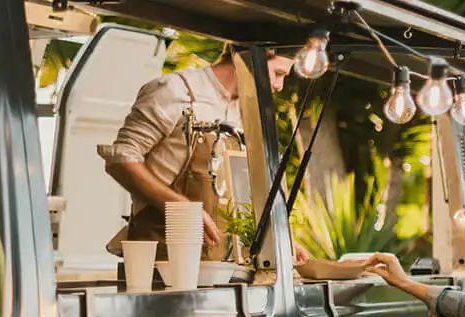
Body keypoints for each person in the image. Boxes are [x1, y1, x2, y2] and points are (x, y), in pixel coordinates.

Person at [99, 43, 309, 264]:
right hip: (162, 263)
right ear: (254, 57)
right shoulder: (176, 90)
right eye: (278, 74)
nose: (279, 86)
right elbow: (121, 158)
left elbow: (242, 193)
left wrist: (277, 241)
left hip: (222, 267)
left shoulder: (245, 112)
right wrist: (182, 208)